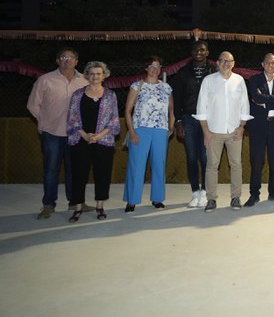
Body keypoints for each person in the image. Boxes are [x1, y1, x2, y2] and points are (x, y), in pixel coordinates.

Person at [27, 47, 90, 219]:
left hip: (76, 134)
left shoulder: (85, 81)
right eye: (63, 57)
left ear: (76, 61)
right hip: (52, 133)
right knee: (51, 170)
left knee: (74, 170)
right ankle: (48, 204)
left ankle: (75, 202)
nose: (67, 60)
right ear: (57, 61)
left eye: (71, 57)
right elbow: (33, 104)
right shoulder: (45, 80)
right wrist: (44, 121)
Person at [194, 52, 252, 212]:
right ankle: (211, 199)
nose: (226, 63)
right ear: (218, 63)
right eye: (223, 61)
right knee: (212, 166)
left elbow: (244, 105)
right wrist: (206, 132)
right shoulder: (208, 81)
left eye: (230, 61)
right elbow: (201, 107)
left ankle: (236, 197)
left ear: (234, 63)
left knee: (236, 164)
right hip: (213, 131)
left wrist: (242, 127)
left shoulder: (239, 80)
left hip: (234, 131)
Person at [66, 61, 121, 222]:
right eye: (92, 73)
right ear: (87, 75)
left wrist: (98, 136)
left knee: (102, 173)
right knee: (78, 174)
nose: (95, 76)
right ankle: (77, 208)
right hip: (80, 140)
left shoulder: (110, 95)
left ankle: (100, 206)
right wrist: (85, 135)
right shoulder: (77, 95)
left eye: (98, 73)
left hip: (103, 140)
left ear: (104, 76)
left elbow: (114, 120)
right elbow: (72, 118)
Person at [123, 56, 174, 212]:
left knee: (159, 165)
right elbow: (127, 110)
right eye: (152, 66)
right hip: (140, 129)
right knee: (136, 166)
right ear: (146, 68)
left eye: (158, 66)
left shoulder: (166, 87)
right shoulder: (137, 86)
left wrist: (171, 127)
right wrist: (131, 132)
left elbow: (171, 109)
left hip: (160, 130)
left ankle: (157, 198)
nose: (155, 69)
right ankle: (131, 200)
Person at [170, 41, 216, 208]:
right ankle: (195, 192)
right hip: (188, 118)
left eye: (202, 49)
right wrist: (178, 121)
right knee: (191, 157)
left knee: (205, 157)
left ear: (207, 52)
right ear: (192, 52)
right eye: (196, 49)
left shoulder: (214, 71)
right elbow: (177, 98)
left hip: (207, 120)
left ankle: (204, 192)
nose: (199, 52)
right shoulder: (183, 72)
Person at [245, 53, 274, 206]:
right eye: (267, 62)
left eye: (273, 62)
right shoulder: (254, 79)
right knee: (257, 161)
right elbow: (256, 98)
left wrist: (265, 101)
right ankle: (254, 194)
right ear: (262, 64)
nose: (270, 65)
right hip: (258, 127)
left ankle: (273, 192)